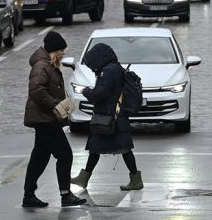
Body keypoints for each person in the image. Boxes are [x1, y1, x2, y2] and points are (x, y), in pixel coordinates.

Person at [22, 31, 86, 208]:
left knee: (40, 157)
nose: (63, 53)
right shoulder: (41, 66)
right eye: (61, 50)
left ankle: (28, 196)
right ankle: (65, 195)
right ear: (53, 51)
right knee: (65, 155)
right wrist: (55, 105)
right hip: (45, 119)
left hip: (46, 118)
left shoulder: (48, 65)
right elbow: (37, 91)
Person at [71, 43, 143, 193]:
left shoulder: (108, 71)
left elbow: (98, 94)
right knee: (106, 148)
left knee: (108, 148)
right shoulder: (115, 68)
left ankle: (84, 178)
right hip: (115, 117)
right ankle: (134, 179)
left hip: (110, 118)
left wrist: (85, 91)